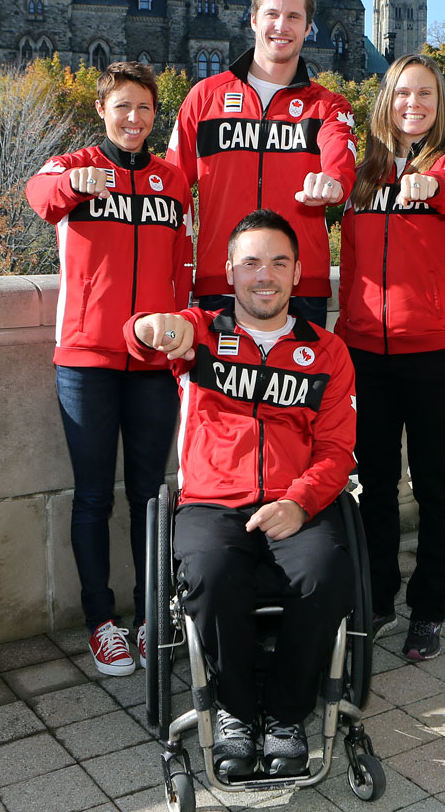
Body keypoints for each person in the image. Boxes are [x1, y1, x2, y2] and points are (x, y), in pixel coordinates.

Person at [126, 209, 356, 780]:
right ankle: (234, 711)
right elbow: (149, 337)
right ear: (228, 271)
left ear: (298, 272)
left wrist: (299, 502)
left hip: (294, 500)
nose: (264, 275)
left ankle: (284, 715)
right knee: (210, 573)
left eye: (279, 262)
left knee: (326, 574)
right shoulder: (202, 331)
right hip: (211, 501)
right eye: (251, 262)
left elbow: (337, 451)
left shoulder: (327, 352)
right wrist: (152, 329)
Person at [26, 60, 193, 678]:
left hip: (153, 365)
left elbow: (183, 266)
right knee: (94, 495)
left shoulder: (172, 181)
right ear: (103, 110)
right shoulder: (71, 168)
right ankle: (101, 622)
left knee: (152, 496)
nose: (135, 118)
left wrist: (182, 336)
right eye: (123, 106)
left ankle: (151, 616)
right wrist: (78, 186)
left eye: (146, 109)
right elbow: (39, 198)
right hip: (87, 361)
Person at [335, 54, 445, 661]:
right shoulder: (360, 172)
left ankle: (430, 608)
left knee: (433, 485)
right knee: (374, 483)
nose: (413, 104)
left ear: (438, 103)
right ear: (386, 100)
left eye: (424, 94)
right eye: (402, 93)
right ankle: (380, 595)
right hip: (364, 353)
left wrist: (432, 186)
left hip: (431, 355)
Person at [167, 0, 357, 326]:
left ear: (307, 27)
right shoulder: (204, 98)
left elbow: (340, 159)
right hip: (220, 282)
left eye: (293, 17)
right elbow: (170, 189)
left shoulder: (329, 105)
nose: (281, 26)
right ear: (254, 19)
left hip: (301, 290)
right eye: (272, 14)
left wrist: (332, 180)